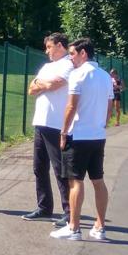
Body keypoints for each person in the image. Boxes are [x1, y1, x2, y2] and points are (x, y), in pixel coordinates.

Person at [50, 38, 113, 241]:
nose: (71, 58)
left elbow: (70, 107)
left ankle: (74, 228)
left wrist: (63, 132)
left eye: (73, 54)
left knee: (75, 181)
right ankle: (99, 227)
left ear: (83, 53)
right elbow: (109, 107)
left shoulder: (77, 75)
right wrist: (101, 124)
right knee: (98, 180)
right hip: (98, 135)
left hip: (78, 136)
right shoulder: (105, 77)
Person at [22, 33, 73, 227]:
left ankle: (69, 211)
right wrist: (45, 85)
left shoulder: (69, 64)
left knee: (60, 169)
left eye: (49, 47)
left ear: (60, 46)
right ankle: (44, 207)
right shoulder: (47, 67)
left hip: (57, 124)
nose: (47, 51)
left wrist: (42, 84)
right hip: (41, 123)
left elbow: (53, 85)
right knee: (39, 167)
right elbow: (31, 89)